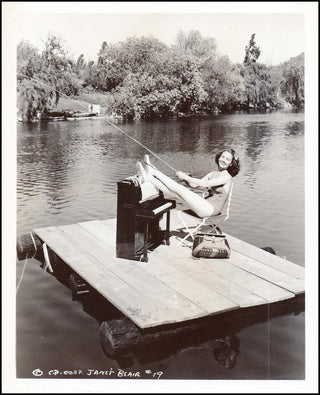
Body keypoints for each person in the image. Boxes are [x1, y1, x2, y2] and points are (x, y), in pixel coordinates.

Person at [137, 148, 240, 219]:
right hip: (203, 206)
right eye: (223, 157)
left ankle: (153, 172)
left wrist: (184, 176)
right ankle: (150, 178)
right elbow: (194, 185)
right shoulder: (213, 174)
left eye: (227, 159)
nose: (223, 160)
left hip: (210, 209)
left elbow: (204, 184)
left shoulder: (227, 177)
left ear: (231, 163)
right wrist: (186, 179)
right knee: (173, 194)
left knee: (181, 190)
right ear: (218, 158)